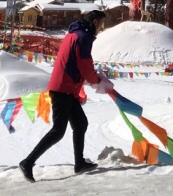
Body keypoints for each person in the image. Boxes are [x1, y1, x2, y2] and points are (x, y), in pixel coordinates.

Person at [19, 10, 108, 182]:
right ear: (95, 22)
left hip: (67, 88)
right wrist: (95, 79)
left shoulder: (74, 34)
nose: (101, 28)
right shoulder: (83, 38)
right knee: (58, 131)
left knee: (80, 123)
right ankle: (27, 162)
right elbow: (84, 64)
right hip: (63, 88)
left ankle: (79, 163)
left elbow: (79, 63)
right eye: (101, 24)